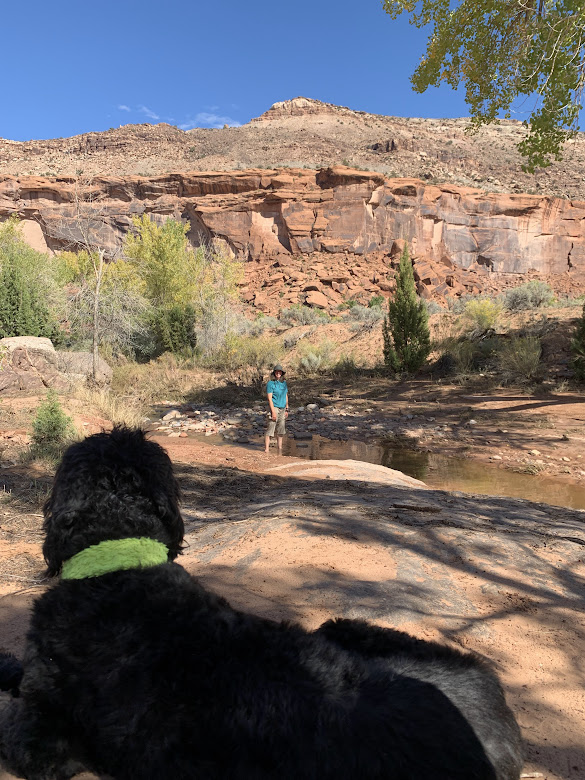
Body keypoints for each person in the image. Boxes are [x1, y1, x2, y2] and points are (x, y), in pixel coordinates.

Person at [265, 364, 288, 454]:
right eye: (277, 372)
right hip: (274, 407)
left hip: (282, 408)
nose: (278, 373)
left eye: (280, 372)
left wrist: (287, 408)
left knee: (281, 429)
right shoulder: (270, 384)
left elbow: (286, 395)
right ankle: (266, 449)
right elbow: (269, 398)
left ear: (282, 373)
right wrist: (273, 412)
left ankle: (280, 448)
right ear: (274, 373)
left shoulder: (284, 383)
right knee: (271, 427)